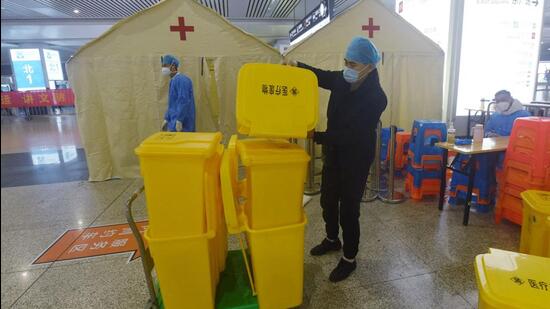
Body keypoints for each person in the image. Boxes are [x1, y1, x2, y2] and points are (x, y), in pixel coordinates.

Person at [285, 37, 387, 282]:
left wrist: (315, 135)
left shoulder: (377, 98)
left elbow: (350, 134)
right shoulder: (343, 79)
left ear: (369, 66)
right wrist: (297, 65)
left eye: (352, 64)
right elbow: (320, 76)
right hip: (335, 152)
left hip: (356, 157)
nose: (347, 68)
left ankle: (349, 258)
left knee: (349, 209)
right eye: (346, 62)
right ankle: (332, 239)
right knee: (328, 200)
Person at [160, 54, 195, 132]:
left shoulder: (182, 80)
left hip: (184, 124)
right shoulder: (173, 81)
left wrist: (180, 120)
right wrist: (166, 118)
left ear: (173, 66)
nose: (163, 68)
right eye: (162, 66)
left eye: (165, 65)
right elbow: (172, 104)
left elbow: (184, 101)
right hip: (174, 123)